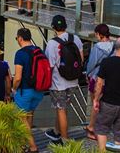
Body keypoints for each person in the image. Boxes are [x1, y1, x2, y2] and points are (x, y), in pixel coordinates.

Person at [44, 15, 84, 145]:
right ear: (66, 25)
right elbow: (81, 59)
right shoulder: (76, 39)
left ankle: (65, 139)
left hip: (58, 83)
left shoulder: (52, 43)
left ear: (54, 27)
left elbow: (49, 65)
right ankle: (56, 131)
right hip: (73, 81)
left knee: (61, 109)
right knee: (63, 107)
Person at [12, 28, 46, 153]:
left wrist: (13, 88)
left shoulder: (20, 54)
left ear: (20, 38)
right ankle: (24, 141)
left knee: (21, 118)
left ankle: (32, 147)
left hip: (25, 91)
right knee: (29, 115)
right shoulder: (39, 50)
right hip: (39, 90)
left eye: (17, 38)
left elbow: (18, 77)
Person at [85, 24, 115, 140]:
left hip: (96, 78)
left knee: (95, 103)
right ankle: (99, 127)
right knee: (103, 104)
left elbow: (91, 64)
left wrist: (87, 74)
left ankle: (92, 127)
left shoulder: (97, 47)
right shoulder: (114, 46)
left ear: (99, 34)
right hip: (109, 80)